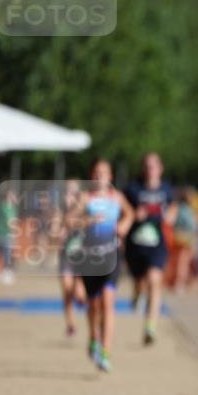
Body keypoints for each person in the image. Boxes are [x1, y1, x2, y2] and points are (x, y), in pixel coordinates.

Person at [67, 159, 134, 372]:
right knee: (93, 305)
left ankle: (105, 353)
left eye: (103, 173)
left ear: (110, 176)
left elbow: (130, 213)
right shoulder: (85, 198)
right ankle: (93, 337)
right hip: (90, 258)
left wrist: (123, 225)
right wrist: (87, 220)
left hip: (111, 256)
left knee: (107, 302)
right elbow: (69, 221)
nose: (99, 177)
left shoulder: (117, 197)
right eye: (96, 173)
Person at [123, 152, 176, 345]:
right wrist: (133, 214)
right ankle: (137, 294)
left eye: (153, 166)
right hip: (136, 244)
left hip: (157, 243)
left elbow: (173, 207)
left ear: (160, 169)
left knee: (154, 279)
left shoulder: (166, 189)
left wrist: (171, 215)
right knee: (140, 283)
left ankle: (150, 326)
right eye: (146, 166)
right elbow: (122, 210)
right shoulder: (132, 188)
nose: (149, 170)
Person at [58, 179, 87, 337]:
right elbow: (54, 234)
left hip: (82, 256)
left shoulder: (84, 209)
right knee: (67, 290)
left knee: (79, 293)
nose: (70, 194)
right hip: (66, 255)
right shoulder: (59, 211)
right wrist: (58, 232)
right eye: (67, 191)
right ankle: (71, 324)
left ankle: (84, 301)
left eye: (73, 191)